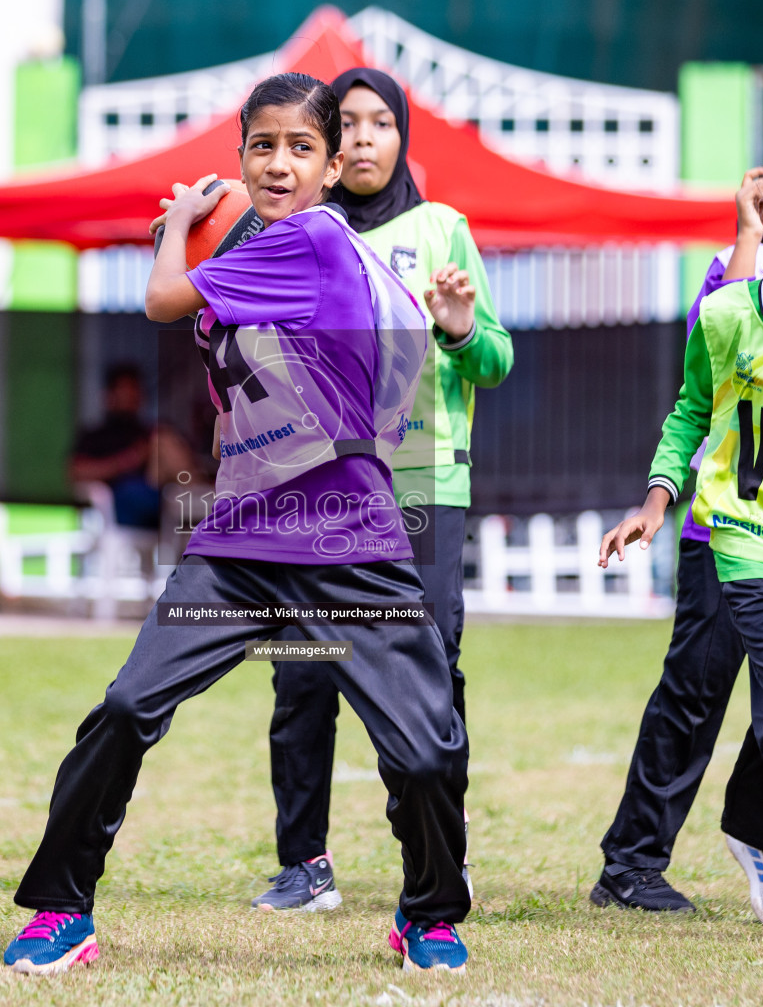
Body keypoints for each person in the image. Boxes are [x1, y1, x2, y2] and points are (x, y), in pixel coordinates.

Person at [1, 72, 472, 977]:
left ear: (334, 168)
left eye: (302, 147)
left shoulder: (312, 244)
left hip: (346, 540)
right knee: (129, 706)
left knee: (421, 753)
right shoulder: (267, 243)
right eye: (262, 146)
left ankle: (429, 915)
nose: (280, 162)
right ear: (243, 157)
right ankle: (62, 908)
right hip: (242, 542)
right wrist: (199, 239)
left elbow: (162, 299)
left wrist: (180, 225)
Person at [593, 115, 763, 924]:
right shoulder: (732, 285)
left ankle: (760, 828)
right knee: (696, 691)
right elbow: (698, 403)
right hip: (726, 533)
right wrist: (657, 499)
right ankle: (633, 862)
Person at [252, 66, 513, 912]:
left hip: (421, 486)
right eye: (348, 126)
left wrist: (461, 327)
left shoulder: (443, 230)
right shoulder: (296, 229)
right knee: (302, 672)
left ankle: (439, 857)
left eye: (380, 124)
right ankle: (305, 865)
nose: (363, 139)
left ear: (403, 137)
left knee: (426, 673)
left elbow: (498, 362)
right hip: (313, 487)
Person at [69, 363, 197, 530]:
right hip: (122, 498)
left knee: (164, 440)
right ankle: (200, 499)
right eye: (125, 390)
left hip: (161, 491)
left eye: (135, 390)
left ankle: (198, 496)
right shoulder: (96, 436)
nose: (132, 396)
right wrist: (131, 459)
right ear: (110, 395)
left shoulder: (148, 431)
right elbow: (77, 471)